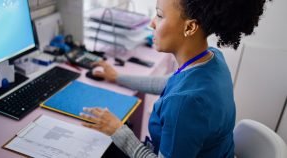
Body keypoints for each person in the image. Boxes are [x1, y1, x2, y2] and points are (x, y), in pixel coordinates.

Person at [79, 0, 270, 157]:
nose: (152, 23)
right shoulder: (212, 58)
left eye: (160, 16)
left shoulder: (185, 103)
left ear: (190, 27)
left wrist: (117, 130)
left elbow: (181, 97)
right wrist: (117, 76)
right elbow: (168, 82)